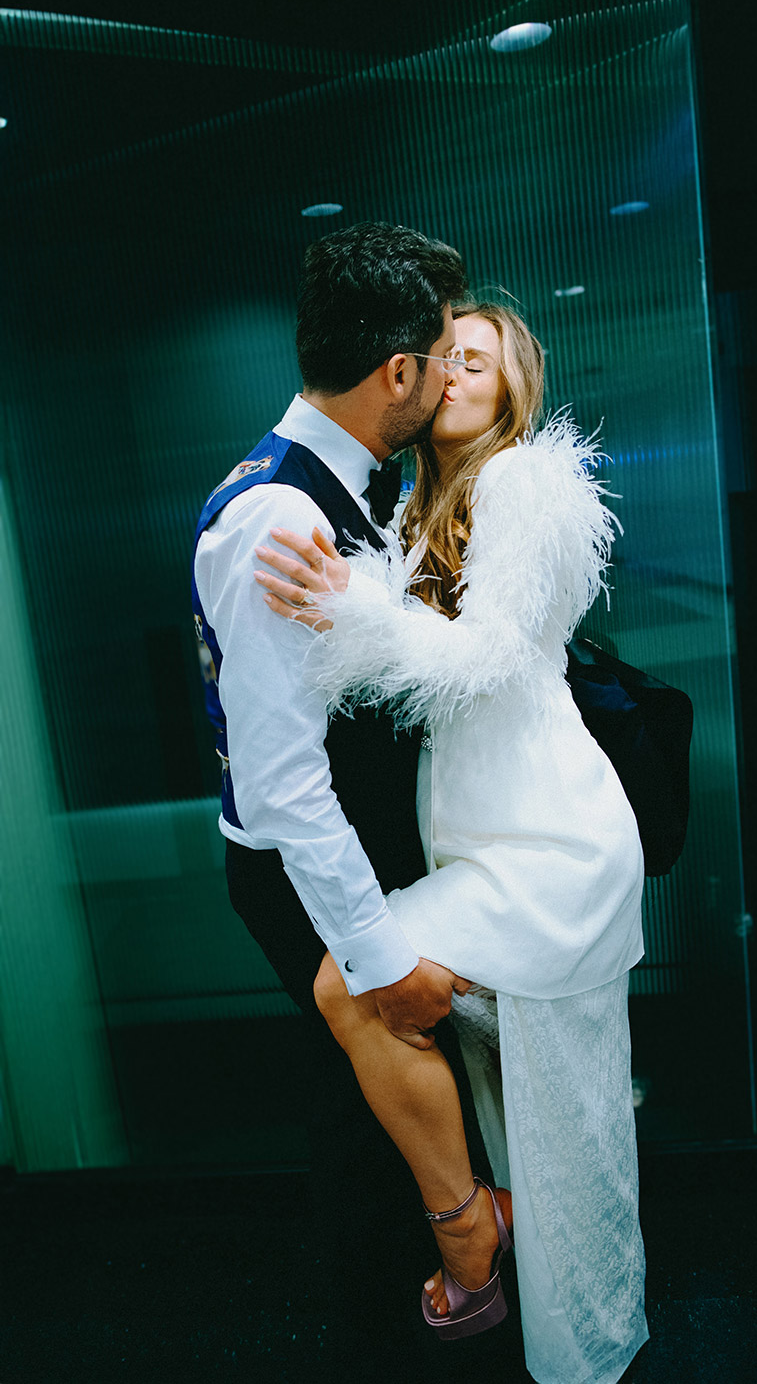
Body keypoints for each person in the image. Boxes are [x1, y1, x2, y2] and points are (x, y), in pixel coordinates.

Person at [254, 301, 649, 1384]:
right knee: (530, 1099)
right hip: (487, 840)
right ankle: (516, 1246)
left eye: (478, 360)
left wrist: (350, 606)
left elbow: (485, 659)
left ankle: (510, 1268)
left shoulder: (525, 480)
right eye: (443, 358)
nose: (454, 372)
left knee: (371, 996)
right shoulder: (427, 498)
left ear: (513, 381)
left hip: (551, 841)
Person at [190, 222, 474, 1323]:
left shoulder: (353, 476)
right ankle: (386, 1335)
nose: (449, 375)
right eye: (441, 356)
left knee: (388, 1128)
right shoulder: (277, 514)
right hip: (313, 874)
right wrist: (374, 959)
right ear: (395, 371)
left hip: (352, 846)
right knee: (366, 1139)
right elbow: (282, 786)